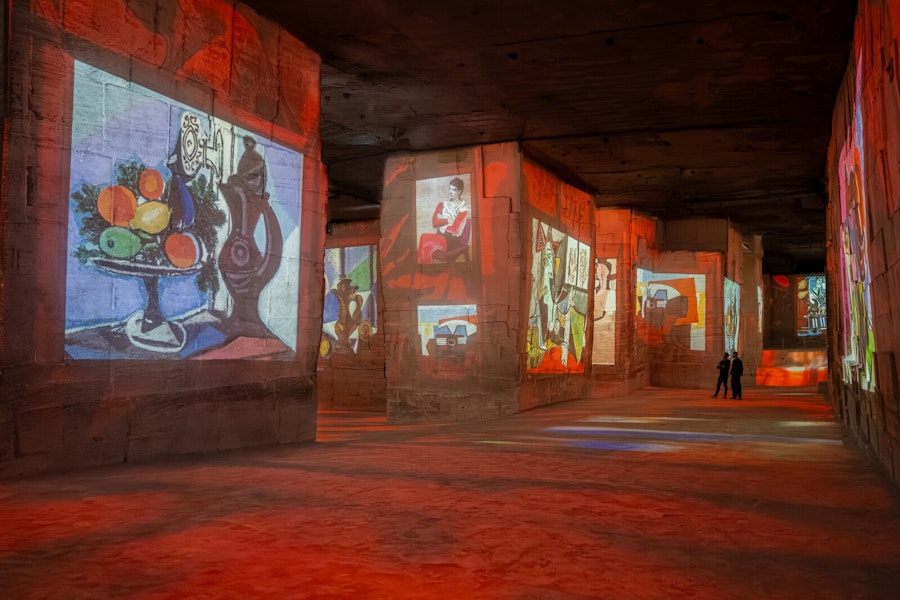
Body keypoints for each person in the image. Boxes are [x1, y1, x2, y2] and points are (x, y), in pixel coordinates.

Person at [417, 177, 470, 264]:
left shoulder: (463, 208)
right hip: (440, 238)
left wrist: (442, 221)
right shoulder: (442, 204)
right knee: (426, 249)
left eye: (454, 190)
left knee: (423, 238)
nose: (450, 192)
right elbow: (434, 222)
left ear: (460, 191)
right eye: (450, 189)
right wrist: (449, 220)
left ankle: (420, 269)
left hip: (451, 242)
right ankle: (426, 272)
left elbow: (455, 229)